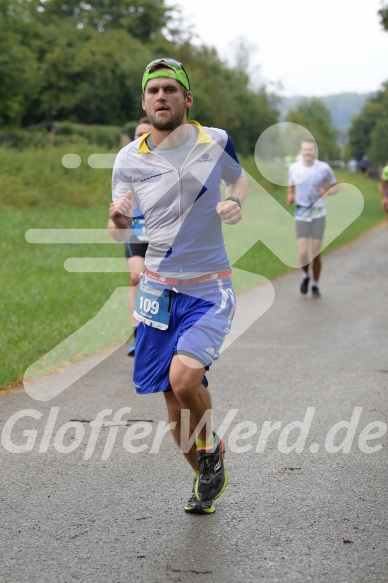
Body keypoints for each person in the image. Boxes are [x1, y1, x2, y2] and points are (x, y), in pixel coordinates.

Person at [108, 58, 247, 514]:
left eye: (170, 89)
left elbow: (237, 179)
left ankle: (210, 453)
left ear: (187, 99)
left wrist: (233, 203)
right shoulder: (129, 158)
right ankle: (206, 471)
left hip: (208, 287)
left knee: (184, 379)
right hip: (156, 291)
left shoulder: (216, 141)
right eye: (153, 91)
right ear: (144, 102)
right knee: (173, 408)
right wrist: (117, 219)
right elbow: (119, 229)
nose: (161, 96)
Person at [287, 139, 338, 298]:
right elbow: (291, 184)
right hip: (301, 213)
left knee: (316, 254)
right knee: (303, 253)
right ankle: (305, 276)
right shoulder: (294, 167)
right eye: (305, 150)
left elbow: (336, 185)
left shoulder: (323, 168)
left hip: (318, 214)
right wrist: (290, 195)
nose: (307, 152)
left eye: (310, 150)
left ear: (314, 151)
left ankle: (315, 284)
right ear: (301, 151)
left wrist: (327, 192)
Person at [125, 117, 152, 356]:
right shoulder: (126, 163)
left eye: (147, 133)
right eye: (137, 134)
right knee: (136, 277)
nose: (141, 137)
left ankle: (158, 332)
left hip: (163, 232)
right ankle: (138, 333)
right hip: (136, 228)